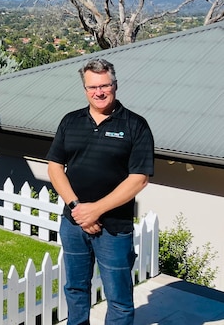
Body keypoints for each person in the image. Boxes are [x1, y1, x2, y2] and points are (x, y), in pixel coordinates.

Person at [46, 58, 154, 325]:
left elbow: (139, 179)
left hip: (114, 228)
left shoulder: (135, 125)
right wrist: (77, 209)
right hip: (74, 224)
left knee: (118, 298)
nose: (99, 92)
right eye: (92, 87)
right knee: (75, 289)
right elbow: (55, 167)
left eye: (104, 85)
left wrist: (95, 210)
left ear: (115, 85)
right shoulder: (70, 122)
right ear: (85, 89)